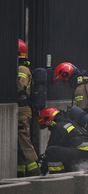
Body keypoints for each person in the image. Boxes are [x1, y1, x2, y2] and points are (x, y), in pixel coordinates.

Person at [38, 107, 88, 175]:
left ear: (48, 120)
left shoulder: (58, 127)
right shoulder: (68, 122)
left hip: (83, 154)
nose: (49, 128)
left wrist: (43, 171)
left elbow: (50, 148)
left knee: (50, 152)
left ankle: (57, 179)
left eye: (47, 126)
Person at [17, 39, 41, 177]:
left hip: (22, 110)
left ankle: (35, 172)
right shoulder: (22, 68)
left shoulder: (22, 69)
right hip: (21, 110)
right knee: (20, 143)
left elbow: (20, 87)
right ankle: (21, 174)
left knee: (24, 141)